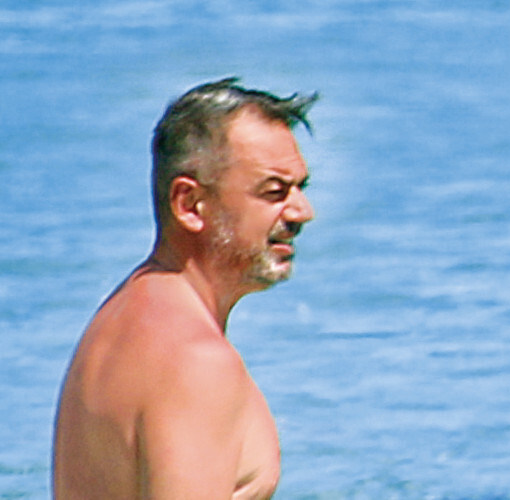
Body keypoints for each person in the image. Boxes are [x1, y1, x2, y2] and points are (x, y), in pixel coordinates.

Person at [53, 78, 318, 499]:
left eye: (300, 189)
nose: (303, 212)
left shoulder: (118, 321)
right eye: (274, 192)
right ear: (190, 205)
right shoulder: (197, 362)